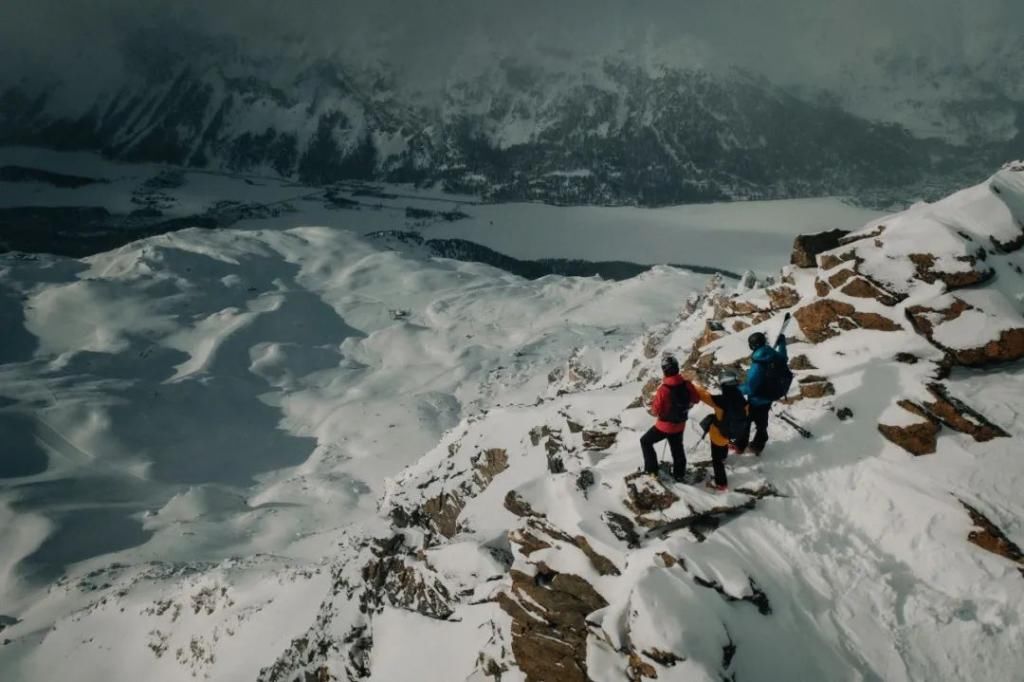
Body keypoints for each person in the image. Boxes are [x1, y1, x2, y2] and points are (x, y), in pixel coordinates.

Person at [640, 354, 699, 481]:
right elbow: (696, 399)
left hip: (663, 426)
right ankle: (679, 475)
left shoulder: (663, 389)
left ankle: (652, 470)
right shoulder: (687, 384)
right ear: (677, 368)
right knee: (677, 449)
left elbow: (656, 410)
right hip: (679, 425)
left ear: (664, 371)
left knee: (645, 441)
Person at [693, 371, 749, 492]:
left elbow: (704, 395)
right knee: (726, 441)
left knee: (716, 459)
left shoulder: (719, 400)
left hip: (719, 436)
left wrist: (691, 385)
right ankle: (726, 453)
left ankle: (721, 483)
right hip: (736, 434)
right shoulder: (742, 399)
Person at [735, 330, 788, 455]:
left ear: (752, 346)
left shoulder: (758, 364)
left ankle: (740, 446)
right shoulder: (774, 355)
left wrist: (736, 389)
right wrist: (782, 344)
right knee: (762, 423)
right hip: (769, 397)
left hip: (756, 400)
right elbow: (784, 358)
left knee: (745, 423)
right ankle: (758, 446)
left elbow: (750, 388)